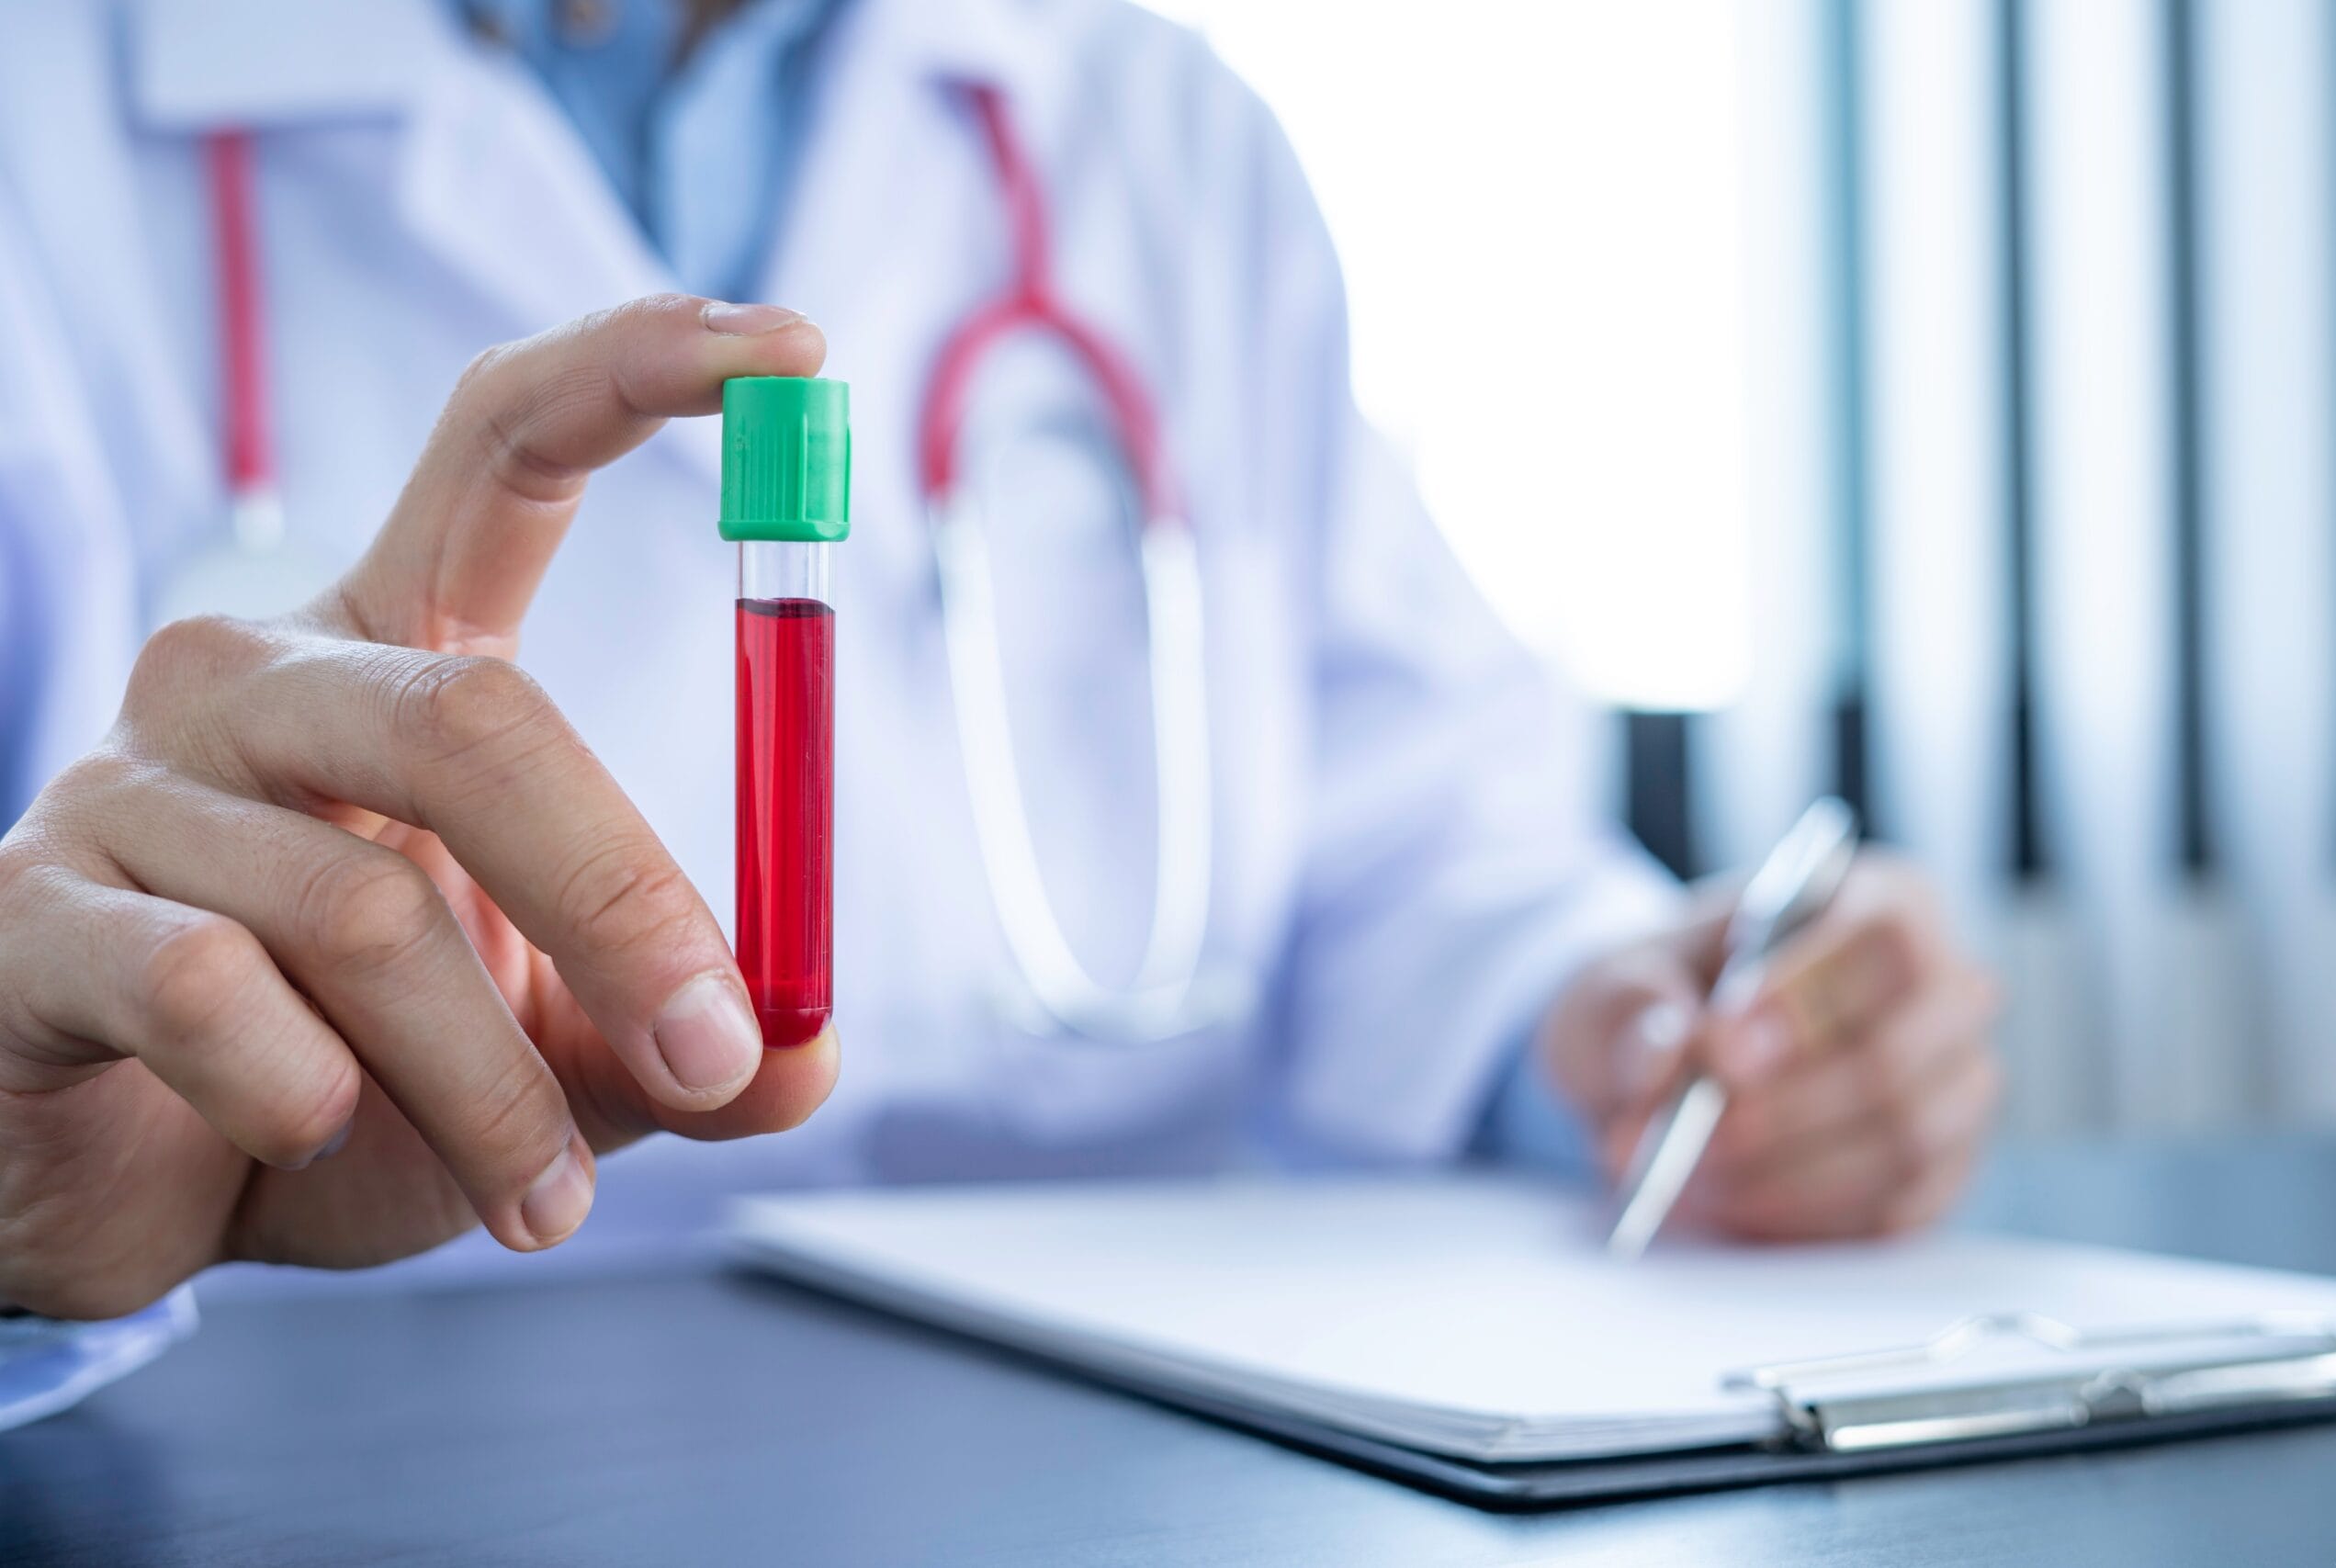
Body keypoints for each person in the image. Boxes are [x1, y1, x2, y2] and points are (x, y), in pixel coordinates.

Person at [0, 0, 2001, 1326]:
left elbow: (1418, 853)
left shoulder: (1153, 127)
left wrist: (1621, 1017)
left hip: (1133, 1416)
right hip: (325, 1398)